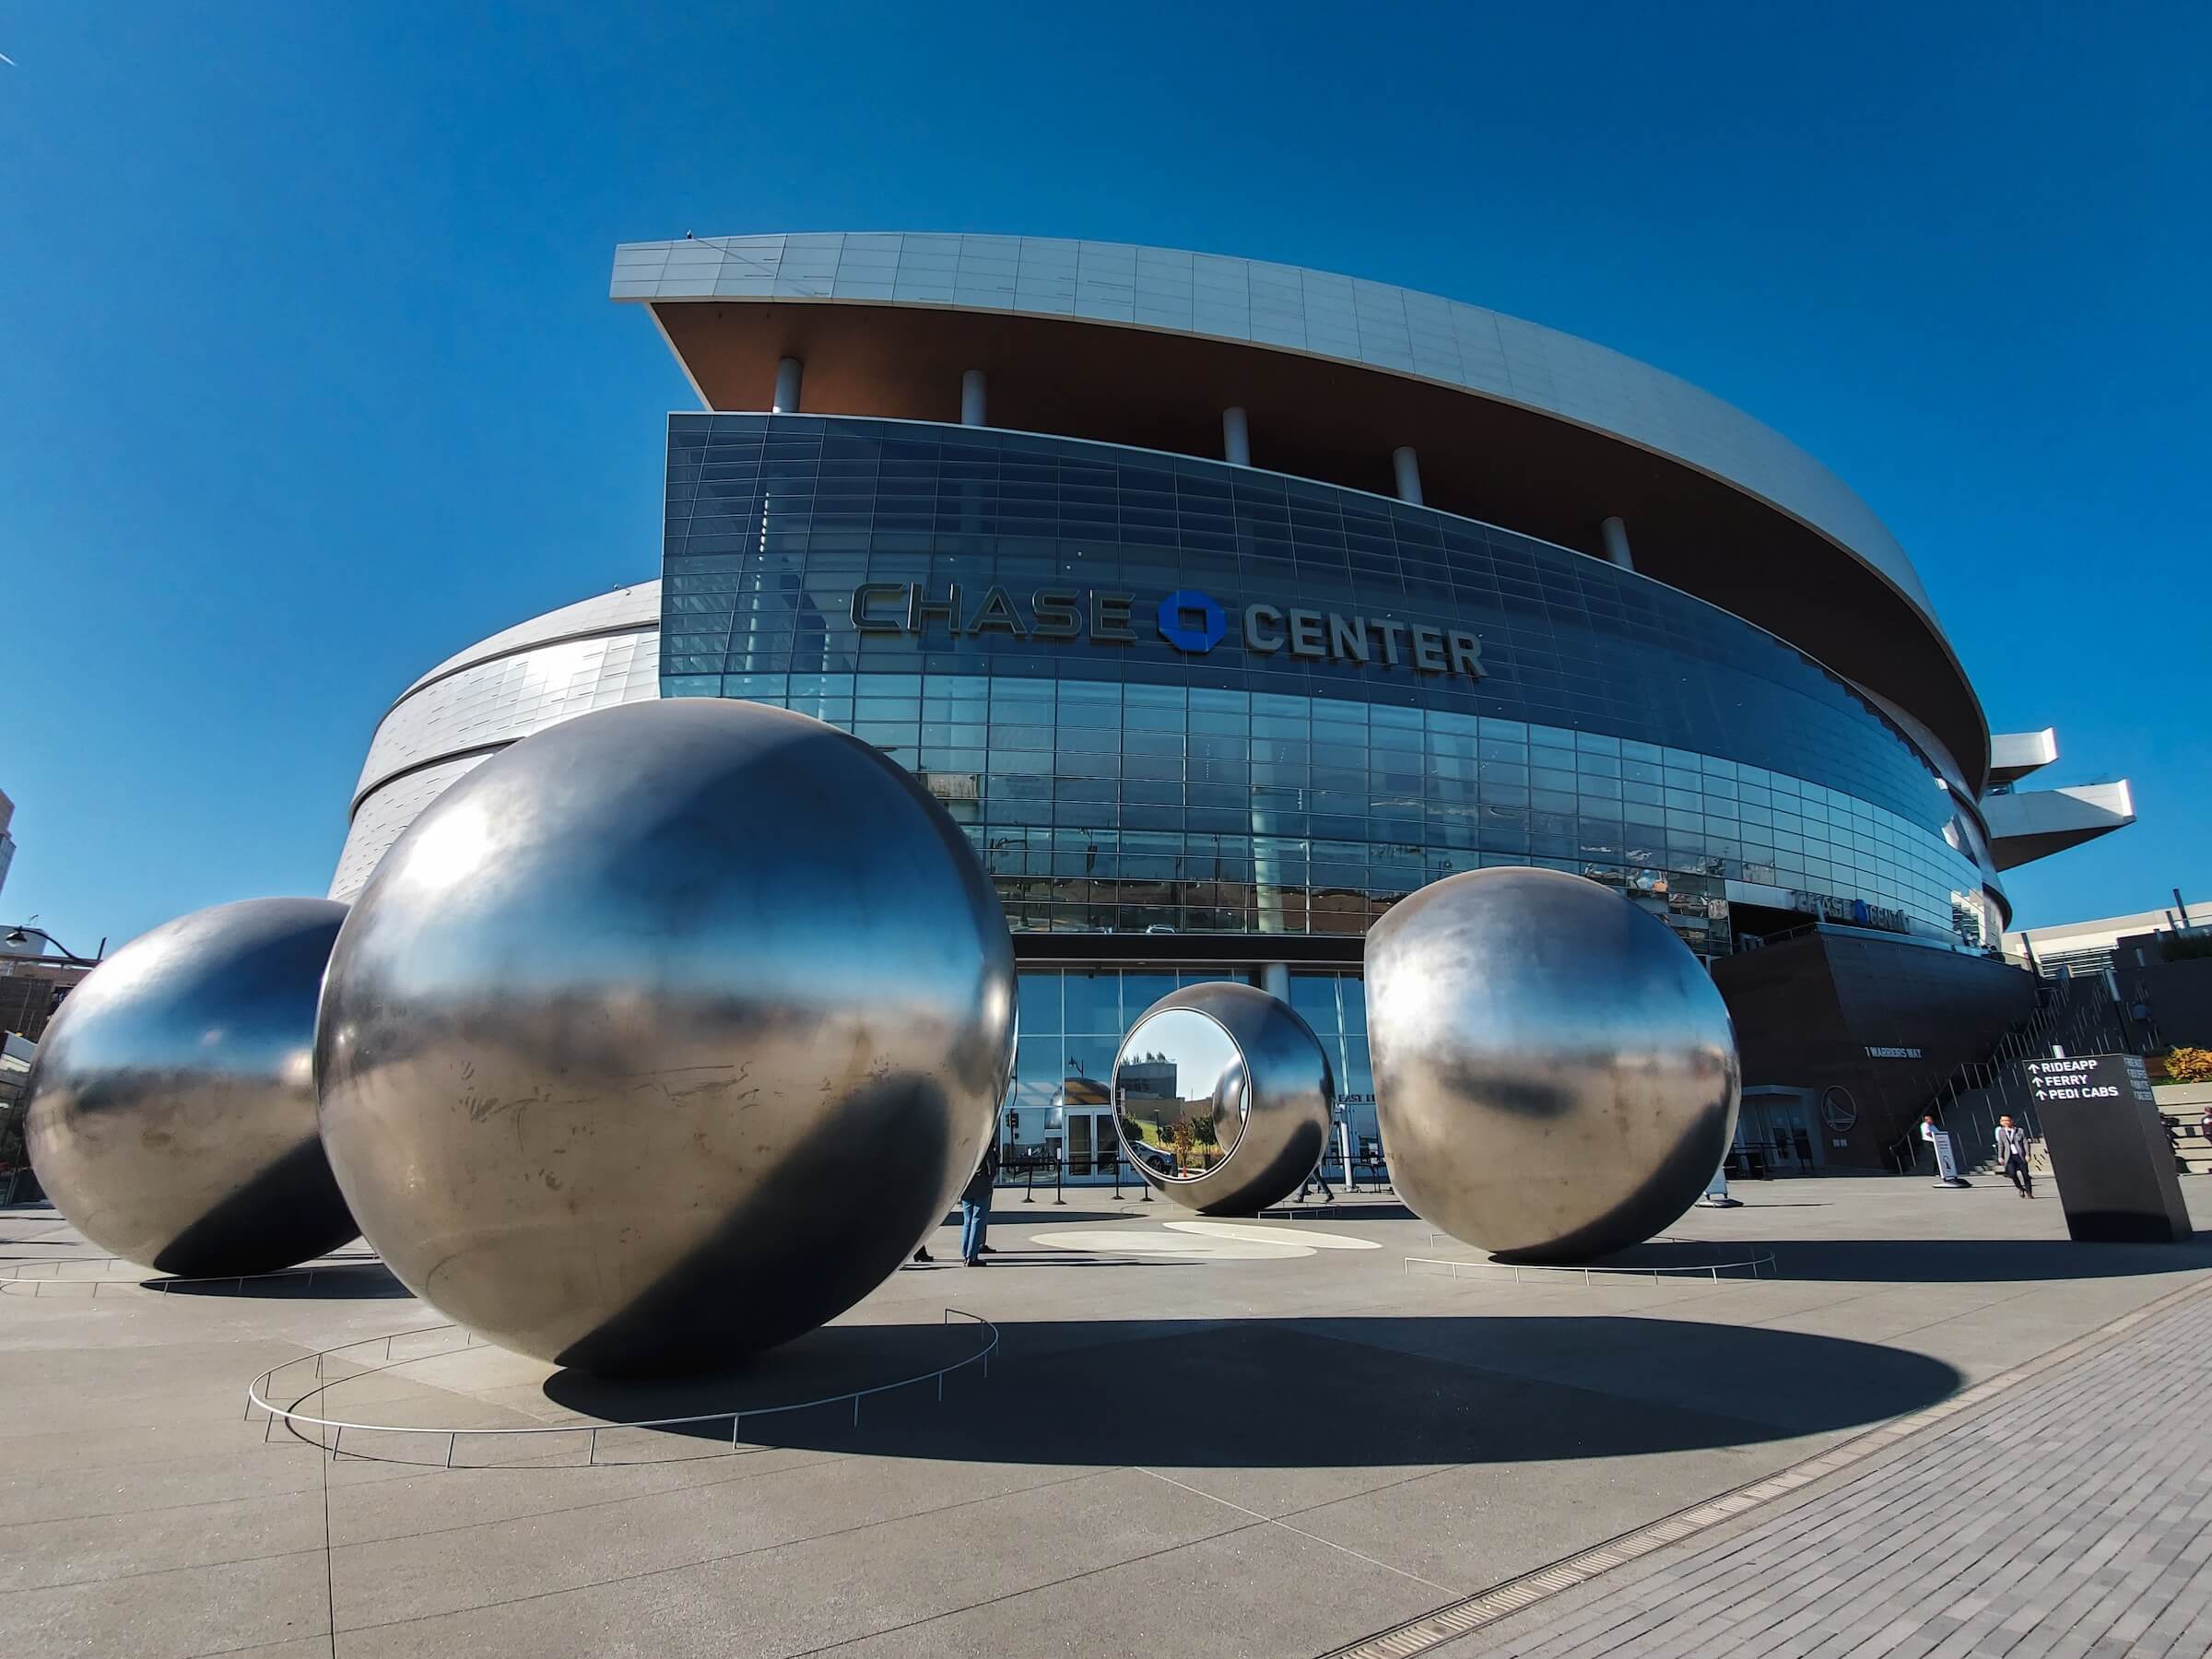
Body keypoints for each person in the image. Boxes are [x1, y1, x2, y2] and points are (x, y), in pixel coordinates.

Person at [959, 1139, 999, 1266]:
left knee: (967, 1220)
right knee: (977, 1220)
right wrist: (989, 1180)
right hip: (981, 1185)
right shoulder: (983, 1145)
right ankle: (972, 1256)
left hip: (967, 1186)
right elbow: (991, 1168)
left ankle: (965, 1254)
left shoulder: (963, 1147)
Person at [1994, 1114, 2034, 1199]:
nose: (2005, 1122)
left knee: (2025, 1175)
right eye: (2003, 1121)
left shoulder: (2019, 1131)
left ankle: (2029, 1192)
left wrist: (2027, 1154)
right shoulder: (2001, 1132)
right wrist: (2000, 1156)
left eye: (2007, 1120)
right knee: (2012, 1174)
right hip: (2009, 1156)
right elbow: (2001, 1144)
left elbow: (2025, 1143)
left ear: (2012, 1121)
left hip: (2020, 1155)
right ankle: (2020, 1188)